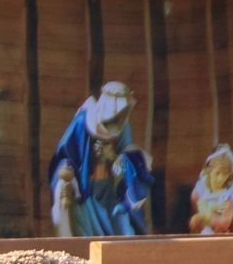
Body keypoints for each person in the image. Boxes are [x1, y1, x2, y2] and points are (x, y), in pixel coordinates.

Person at [49, 80, 154, 237]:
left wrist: (112, 156)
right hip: (87, 194)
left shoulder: (123, 127)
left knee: (126, 232)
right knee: (85, 235)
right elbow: (66, 155)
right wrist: (68, 179)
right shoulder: (83, 122)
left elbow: (127, 161)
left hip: (111, 193)